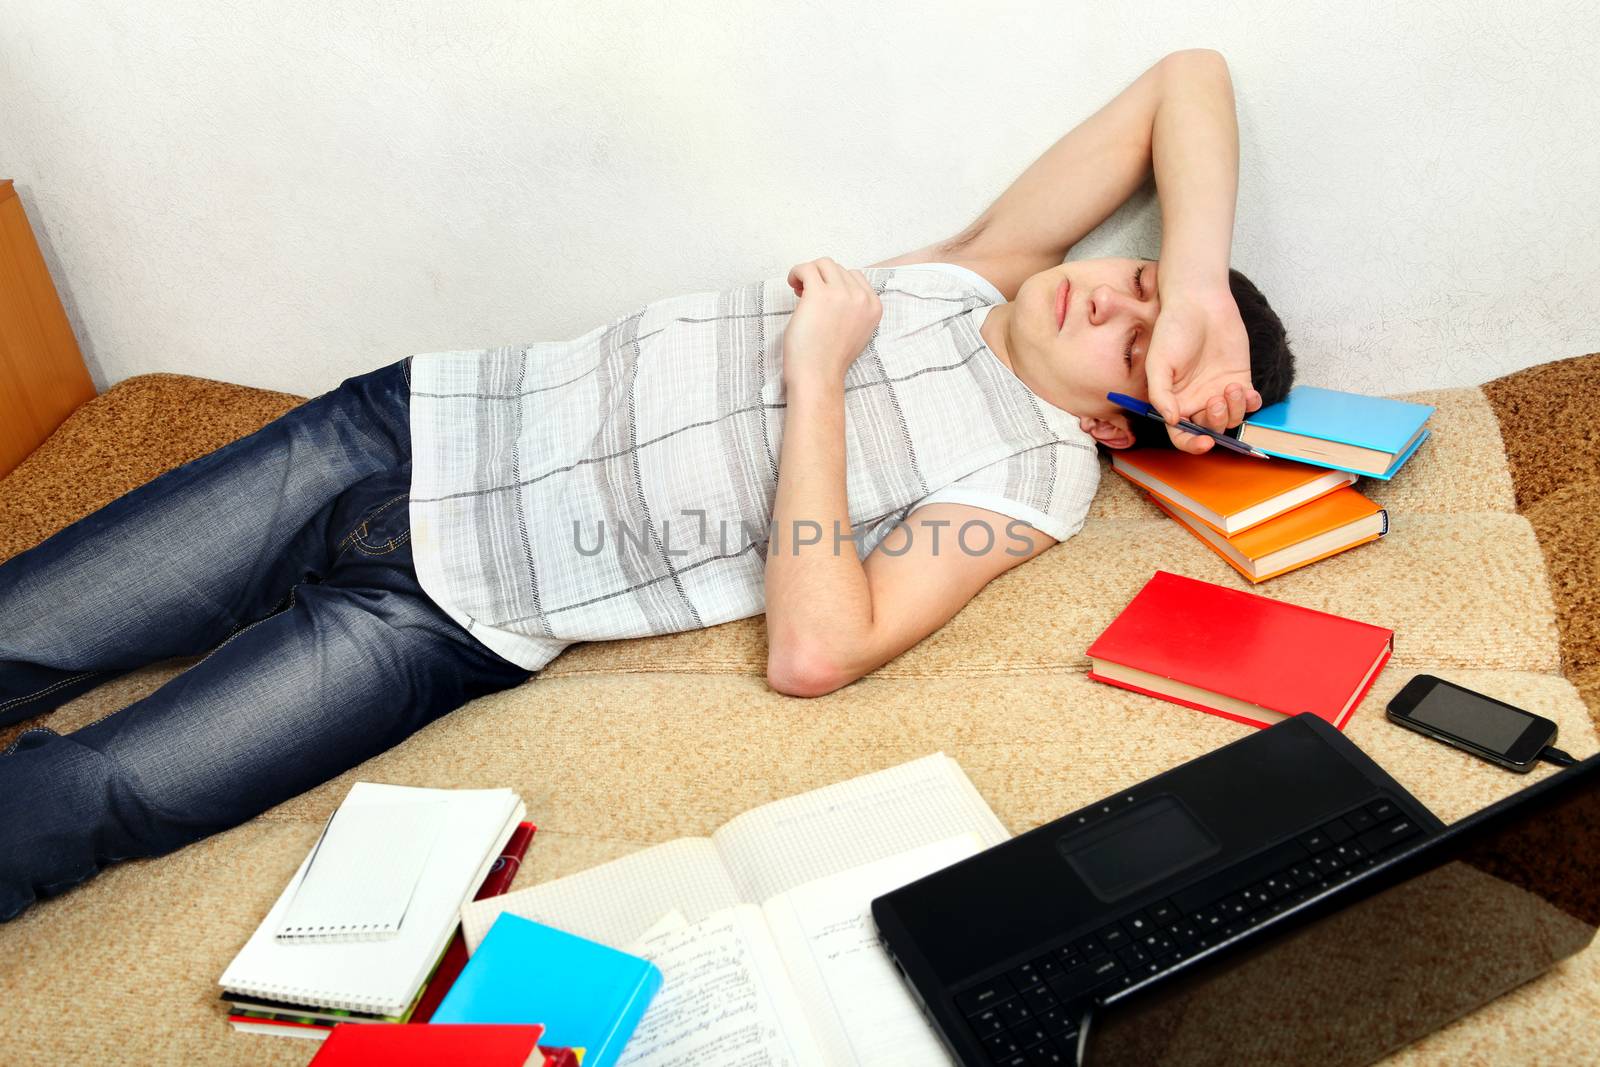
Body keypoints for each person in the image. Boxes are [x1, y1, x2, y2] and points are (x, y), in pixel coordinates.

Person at [0, 48, 1293, 920]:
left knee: (104, 796)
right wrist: (1193, 286)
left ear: (1131, 430)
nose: (1113, 297)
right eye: (1139, 289)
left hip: (441, 614)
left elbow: (818, 650)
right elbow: (1192, 77)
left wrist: (820, 373)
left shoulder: (1030, 481)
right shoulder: (977, 267)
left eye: (1142, 345)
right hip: (394, 432)